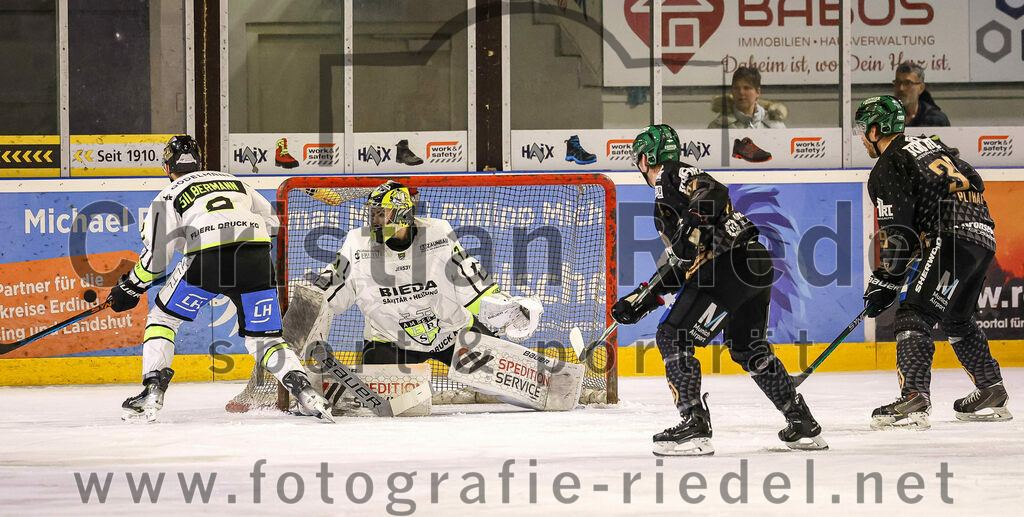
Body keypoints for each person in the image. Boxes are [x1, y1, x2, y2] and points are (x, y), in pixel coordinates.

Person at [614, 124, 827, 456]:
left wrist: (692, 222)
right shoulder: (665, 206)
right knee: (748, 347)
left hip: (727, 266)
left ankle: (694, 422)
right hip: (753, 265)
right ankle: (801, 422)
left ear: (645, 158)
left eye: (638, 160)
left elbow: (713, 191)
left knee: (673, 337)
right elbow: (683, 262)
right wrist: (644, 297)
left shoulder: (673, 174)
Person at [108, 135, 334, 423]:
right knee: (264, 340)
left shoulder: (166, 196)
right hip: (256, 256)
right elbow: (272, 223)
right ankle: (304, 391)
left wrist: (130, 286)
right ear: (199, 163)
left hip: (208, 260)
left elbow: (156, 262)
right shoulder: (235, 181)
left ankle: (152, 391)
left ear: (167, 167)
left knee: (163, 319)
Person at [307, 180, 581, 410]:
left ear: (401, 213)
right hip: (389, 343)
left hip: (453, 336)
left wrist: (505, 308)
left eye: (381, 214)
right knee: (390, 407)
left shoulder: (437, 234)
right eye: (373, 214)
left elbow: (472, 282)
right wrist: (307, 307)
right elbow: (332, 287)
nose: (374, 220)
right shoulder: (357, 243)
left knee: (524, 387)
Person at [855, 95, 1010, 430]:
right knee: (957, 319)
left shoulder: (887, 166)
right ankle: (991, 390)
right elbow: (974, 180)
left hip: (950, 236)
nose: (862, 136)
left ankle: (914, 398)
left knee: (914, 314)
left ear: (875, 129)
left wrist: (884, 281)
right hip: (983, 235)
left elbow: (900, 234)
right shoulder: (930, 145)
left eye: (863, 128)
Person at [707, 66, 786, 129]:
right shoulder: (717, 127)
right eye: (736, 88)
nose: (741, 92)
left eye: (746, 88)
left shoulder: (775, 127)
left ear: (758, 92)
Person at [893, 61, 950, 127]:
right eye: (897, 82)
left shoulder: (935, 119)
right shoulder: (884, 118)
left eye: (907, 83)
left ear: (921, 88)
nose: (901, 88)